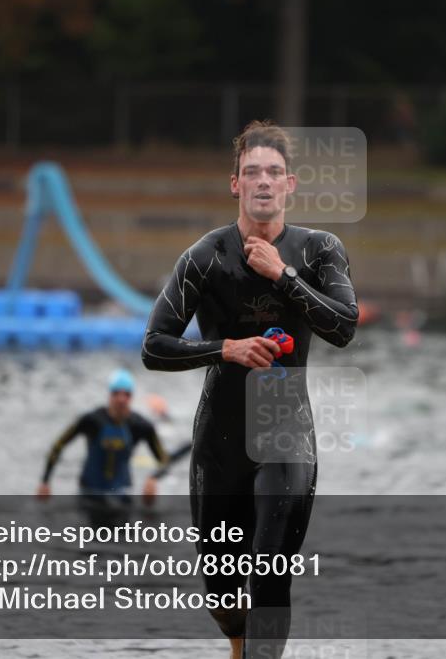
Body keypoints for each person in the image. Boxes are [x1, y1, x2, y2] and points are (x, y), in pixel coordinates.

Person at [142, 121, 358, 659]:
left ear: (291, 185)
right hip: (219, 446)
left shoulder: (319, 251)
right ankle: (240, 647)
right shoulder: (205, 257)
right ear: (235, 184)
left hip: (286, 438)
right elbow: (154, 346)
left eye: (275, 172)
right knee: (223, 595)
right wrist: (226, 349)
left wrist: (284, 276)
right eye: (252, 172)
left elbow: (344, 327)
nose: (264, 181)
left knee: (267, 573)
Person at [37, 369, 186, 514]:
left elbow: (164, 460)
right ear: (109, 395)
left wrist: (153, 478)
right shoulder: (92, 420)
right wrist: (45, 482)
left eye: (126, 394)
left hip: (122, 495)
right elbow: (58, 445)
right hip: (89, 495)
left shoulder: (141, 426)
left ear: (131, 397)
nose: (121, 399)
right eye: (116, 393)